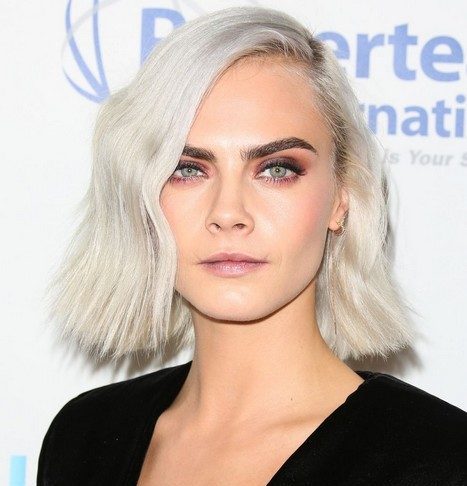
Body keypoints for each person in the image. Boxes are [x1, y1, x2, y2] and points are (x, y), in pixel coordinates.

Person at [37, 6, 466, 486]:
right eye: (187, 169)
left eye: (277, 169)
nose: (228, 213)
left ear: (342, 196)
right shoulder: (84, 437)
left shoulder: (443, 460)